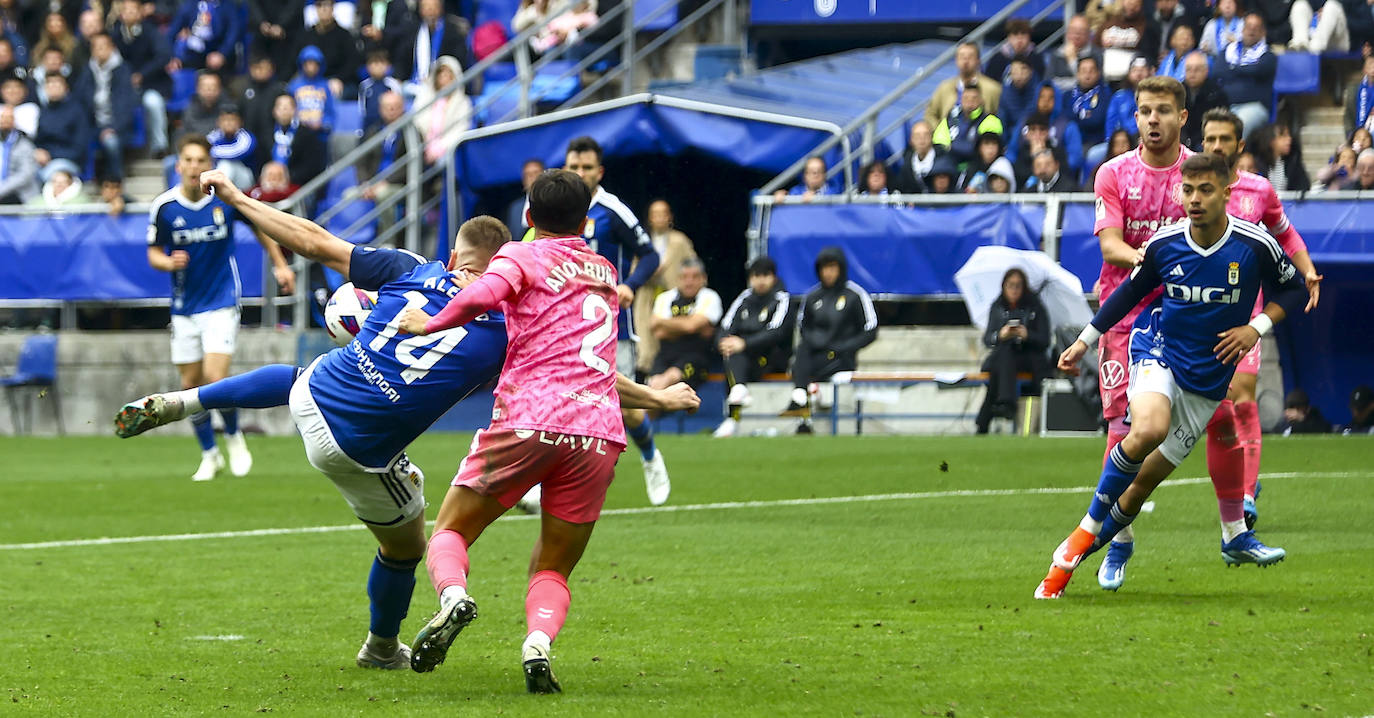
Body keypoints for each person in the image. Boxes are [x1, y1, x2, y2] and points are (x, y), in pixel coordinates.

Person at [121, 207, 513, 671]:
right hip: (356, 447)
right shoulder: (509, 326)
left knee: (298, 377)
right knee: (405, 548)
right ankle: (382, 649)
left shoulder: (412, 267)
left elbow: (311, 239)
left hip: (314, 391)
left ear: (452, 257)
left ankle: (187, 401)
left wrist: (235, 196)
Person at [394, 169, 700, 692]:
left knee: (448, 532)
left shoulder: (520, 254)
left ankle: (453, 598)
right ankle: (537, 644)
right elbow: (595, 368)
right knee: (553, 567)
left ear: (528, 219)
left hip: (529, 419)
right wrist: (659, 398)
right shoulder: (604, 271)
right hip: (598, 434)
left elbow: (486, 293)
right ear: (585, 222)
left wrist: (431, 321)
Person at [1035, 152, 1308, 600]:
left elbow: (1293, 288)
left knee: (1141, 486)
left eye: (1205, 190)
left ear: (1226, 192)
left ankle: (1070, 558)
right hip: (1158, 348)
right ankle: (1084, 531)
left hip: (1207, 381)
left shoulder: (1254, 244)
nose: (1195, 199)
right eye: (1188, 190)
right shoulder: (1166, 243)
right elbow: (1128, 294)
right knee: (1147, 429)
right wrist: (1085, 339)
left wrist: (1253, 328)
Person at [1199, 108, 1322, 532]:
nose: (1216, 147)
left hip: (1246, 312)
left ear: (1239, 146)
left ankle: (1246, 496)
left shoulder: (1258, 190)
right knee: (1217, 411)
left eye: (1224, 140)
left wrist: (1305, 269)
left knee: (1245, 397)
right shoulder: (1189, 187)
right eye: (1210, 139)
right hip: (1196, 313)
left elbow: (1285, 233)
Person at [145, 135, 295, 481]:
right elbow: (153, 252)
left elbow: (260, 227)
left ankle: (232, 436)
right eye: (188, 160)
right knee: (189, 385)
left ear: (208, 165)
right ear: (179, 165)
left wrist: (280, 264)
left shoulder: (223, 201)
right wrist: (168, 263)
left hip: (222, 300)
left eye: (201, 161)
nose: (194, 167)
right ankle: (209, 454)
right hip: (184, 307)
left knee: (214, 378)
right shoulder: (165, 208)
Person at [1090, 74, 1192, 500]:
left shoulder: (1197, 173)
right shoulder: (1113, 173)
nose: (1153, 120)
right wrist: (1150, 262)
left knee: (1197, 420)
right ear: (1135, 117)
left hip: (1181, 316)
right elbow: (1111, 244)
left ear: (1182, 117)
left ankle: (1239, 502)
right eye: (1146, 111)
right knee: (1120, 427)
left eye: (1163, 111)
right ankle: (1114, 537)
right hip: (1122, 314)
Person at [560, 135, 668, 504]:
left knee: (622, 406)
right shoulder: (552, 208)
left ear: (599, 172)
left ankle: (651, 455)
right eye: (574, 166)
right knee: (558, 397)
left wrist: (631, 285)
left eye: (587, 167)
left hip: (607, 325)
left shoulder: (611, 210)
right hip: (561, 325)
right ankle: (548, 482)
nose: (580, 173)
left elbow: (650, 255)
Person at [780, 246, 878, 434]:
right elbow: (803, 326)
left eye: (833, 267)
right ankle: (806, 398)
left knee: (800, 368)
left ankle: (803, 402)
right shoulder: (812, 296)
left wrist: (845, 347)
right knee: (803, 351)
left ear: (841, 268)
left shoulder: (855, 295)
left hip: (841, 357)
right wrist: (816, 341)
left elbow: (871, 329)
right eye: (824, 268)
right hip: (815, 355)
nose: (828, 272)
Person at [714, 256, 794, 438]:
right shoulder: (744, 298)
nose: (760, 280)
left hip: (773, 356)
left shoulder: (782, 299)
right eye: (756, 275)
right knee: (731, 352)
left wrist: (744, 344)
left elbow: (777, 332)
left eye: (765, 275)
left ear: (773, 277)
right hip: (745, 357)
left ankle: (733, 416)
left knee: (736, 354)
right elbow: (725, 327)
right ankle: (738, 393)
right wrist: (723, 343)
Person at [975, 268, 1050, 434]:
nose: (1014, 290)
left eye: (1018, 285)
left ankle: (993, 413)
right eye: (1010, 285)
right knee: (1004, 355)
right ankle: (1004, 403)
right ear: (1004, 286)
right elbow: (988, 339)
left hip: (1028, 357)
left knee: (1002, 363)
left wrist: (1026, 335)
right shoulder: (997, 307)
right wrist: (1001, 335)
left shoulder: (1035, 307)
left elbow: (1045, 340)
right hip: (1004, 358)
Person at [633, 198, 698, 375]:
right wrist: (647, 271)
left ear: (670, 216)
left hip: (674, 295)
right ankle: (646, 375)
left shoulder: (680, 240)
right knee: (646, 340)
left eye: (664, 214)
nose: (660, 218)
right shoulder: (642, 242)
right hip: (647, 297)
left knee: (673, 337)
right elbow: (634, 271)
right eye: (656, 214)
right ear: (649, 218)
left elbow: (693, 265)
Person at [646, 258, 721, 394]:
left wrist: (665, 323)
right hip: (665, 355)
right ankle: (645, 416)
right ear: (678, 279)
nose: (689, 282)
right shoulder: (665, 298)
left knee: (670, 378)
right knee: (653, 383)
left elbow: (691, 326)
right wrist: (689, 325)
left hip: (696, 357)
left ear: (703, 278)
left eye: (695, 277)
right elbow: (658, 332)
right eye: (684, 277)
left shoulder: (710, 297)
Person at [112, 0, 171, 157]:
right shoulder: (115, 34)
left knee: (153, 103)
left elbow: (164, 56)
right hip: (124, 86)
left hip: (151, 83)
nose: (129, 13)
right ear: (120, 14)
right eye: (126, 10)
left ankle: (159, 146)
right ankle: (123, 148)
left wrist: (142, 75)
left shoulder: (151, 32)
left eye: (133, 10)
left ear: (140, 13)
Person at [357, 90, 413, 238]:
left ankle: (388, 242)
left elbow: (409, 166)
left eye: (395, 106)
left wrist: (385, 182)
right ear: (381, 109)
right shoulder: (373, 132)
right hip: (372, 183)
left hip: (398, 184)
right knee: (347, 196)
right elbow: (361, 161)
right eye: (387, 106)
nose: (391, 110)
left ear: (403, 108)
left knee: (384, 195)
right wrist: (365, 183)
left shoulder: (411, 133)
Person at [1214, 13, 1275, 143]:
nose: (1251, 30)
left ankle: (1231, 162)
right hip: (1225, 106)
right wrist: (1246, 72)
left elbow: (1258, 70)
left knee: (1236, 128)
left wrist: (1233, 69)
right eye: (1248, 26)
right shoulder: (1227, 51)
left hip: (1254, 107)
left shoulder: (1268, 56)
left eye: (1256, 27)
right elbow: (1217, 71)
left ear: (1263, 32)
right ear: (1242, 30)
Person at [256, 93, 329, 194]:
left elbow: (312, 166)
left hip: (298, 185)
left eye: (288, 107)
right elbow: (259, 161)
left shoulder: (307, 135)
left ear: (295, 110)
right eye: (280, 107)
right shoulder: (265, 135)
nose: (284, 110)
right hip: (267, 184)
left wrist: (287, 177)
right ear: (274, 111)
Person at [392, 0, 470, 87]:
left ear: (440, 8)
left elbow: (457, 61)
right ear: (420, 10)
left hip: (442, 86)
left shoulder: (452, 32)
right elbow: (402, 59)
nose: (430, 10)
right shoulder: (412, 31)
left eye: (433, 7)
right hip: (413, 84)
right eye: (426, 7)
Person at [296, 0, 361, 100]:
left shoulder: (344, 35)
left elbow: (353, 62)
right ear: (315, 9)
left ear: (333, 8)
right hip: (310, 79)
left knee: (332, 96)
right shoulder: (306, 35)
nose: (324, 8)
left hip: (337, 80)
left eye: (327, 5)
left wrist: (339, 79)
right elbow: (297, 60)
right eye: (319, 5)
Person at [412, 55, 470, 164]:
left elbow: (460, 129)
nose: (444, 79)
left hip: (448, 152)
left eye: (449, 75)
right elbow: (417, 120)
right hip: (422, 147)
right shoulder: (425, 97)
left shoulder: (463, 103)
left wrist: (439, 148)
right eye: (441, 74)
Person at [926, 42, 1001, 124]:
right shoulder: (944, 87)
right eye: (962, 57)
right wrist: (940, 132)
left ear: (978, 60)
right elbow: (930, 114)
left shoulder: (993, 89)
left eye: (970, 57)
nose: (966, 61)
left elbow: (1000, 116)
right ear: (956, 60)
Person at [32, 73, 89, 182]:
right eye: (49, 85)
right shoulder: (42, 112)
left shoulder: (77, 111)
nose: (53, 88)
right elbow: (38, 141)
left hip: (68, 160)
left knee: (49, 175)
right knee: (26, 173)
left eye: (57, 85)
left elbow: (79, 149)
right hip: (41, 160)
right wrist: (37, 152)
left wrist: (50, 155)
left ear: (66, 88)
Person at [934, 85, 1003, 167]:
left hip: (977, 167)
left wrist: (951, 147)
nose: (969, 102)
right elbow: (938, 142)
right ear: (961, 100)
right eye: (966, 98)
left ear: (981, 100)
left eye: (974, 98)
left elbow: (980, 151)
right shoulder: (951, 118)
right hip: (950, 166)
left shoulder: (990, 121)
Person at [167, 0, 243, 73]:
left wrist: (222, 53)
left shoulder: (227, 5)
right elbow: (173, 31)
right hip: (194, 52)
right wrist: (172, 57)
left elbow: (234, 31)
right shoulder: (191, 4)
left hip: (218, 49)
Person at [1063, 55, 1110, 168]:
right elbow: (1064, 118)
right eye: (1083, 71)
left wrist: (1076, 116)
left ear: (1098, 73)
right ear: (1077, 74)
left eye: (1091, 71)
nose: (1087, 75)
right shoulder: (1067, 95)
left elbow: (1096, 120)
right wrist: (1084, 115)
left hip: (1093, 142)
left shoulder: (1105, 94)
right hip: (1068, 141)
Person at [1096, 0, 1160, 82]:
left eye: (1136, 5)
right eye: (1129, 3)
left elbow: (1150, 56)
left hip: (1132, 81)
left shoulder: (1147, 27)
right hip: (1104, 79)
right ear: (1122, 2)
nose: (1132, 7)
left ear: (1141, 6)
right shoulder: (1108, 23)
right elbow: (1095, 48)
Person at [236, 55, 288, 151]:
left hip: (272, 137)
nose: (260, 71)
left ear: (271, 70)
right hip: (248, 137)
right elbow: (238, 113)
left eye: (264, 68)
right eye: (257, 68)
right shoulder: (244, 89)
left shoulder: (278, 90)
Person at [1182, 51, 1227, 150]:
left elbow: (1218, 123)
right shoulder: (1178, 92)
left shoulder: (1216, 93)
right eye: (1188, 69)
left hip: (1206, 140)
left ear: (1206, 71)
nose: (1192, 73)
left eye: (1197, 70)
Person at [206, 104, 257, 189]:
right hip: (221, 175)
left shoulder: (246, 137)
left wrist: (211, 152)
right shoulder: (214, 135)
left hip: (245, 181)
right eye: (224, 120)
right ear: (218, 122)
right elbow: (202, 149)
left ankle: (216, 196)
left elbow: (233, 153)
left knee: (226, 165)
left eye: (232, 120)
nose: (228, 123)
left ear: (240, 122)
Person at [288, 45, 337, 133]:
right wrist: (298, 122)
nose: (311, 67)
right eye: (308, 63)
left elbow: (330, 111)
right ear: (302, 65)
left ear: (320, 65)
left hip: (320, 132)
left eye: (315, 64)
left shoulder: (325, 85)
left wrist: (323, 124)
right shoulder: (294, 85)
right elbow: (289, 109)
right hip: (298, 131)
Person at [1048, 14, 1103, 92]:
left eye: (1081, 31)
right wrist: (1077, 81)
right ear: (1067, 33)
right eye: (1073, 31)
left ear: (1089, 34)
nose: (1077, 35)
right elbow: (1048, 83)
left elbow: (1095, 83)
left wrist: (1072, 61)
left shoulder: (1097, 54)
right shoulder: (1057, 53)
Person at [1250, 122, 1311, 192]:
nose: (1289, 139)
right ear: (1271, 140)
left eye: (1288, 135)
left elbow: (1304, 187)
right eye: (1283, 136)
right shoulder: (1257, 164)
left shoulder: (1293, 163)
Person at [0, 104, 39, 204]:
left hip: (18, 193)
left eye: (9, 118)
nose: (5, 121)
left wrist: (2, 189)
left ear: (15, 122)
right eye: (3, 117)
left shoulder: (25, 144)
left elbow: (25, 175)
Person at [1106, 55, 1152, 140]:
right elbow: (1111, 124)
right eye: (1135, 70)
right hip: (1121, 141)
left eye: (1142, 70)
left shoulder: (1156, 97)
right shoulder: (1118, 97)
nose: (1139, 74)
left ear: (1150, 72)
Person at [358, 50, 402, 133]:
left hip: (387, 122)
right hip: (369, 122)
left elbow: (398, 102)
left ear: (388, 66)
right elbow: (362, 108)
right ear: (367, 67)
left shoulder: (393, 84)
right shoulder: (364, 86)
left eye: (381, 63)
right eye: (374, 63)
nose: (377, 66)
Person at [896, 119, 943, 193]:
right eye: (917, 136)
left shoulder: (943, 159)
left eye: (926, 135)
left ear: (932, 137)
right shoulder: (907, 163)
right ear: (911, 140)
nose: (922, 139)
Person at [505, 157, 544, 236]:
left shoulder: (553, 202)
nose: (531, 177)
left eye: (536, 173)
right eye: (528, 174)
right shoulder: (514, 208)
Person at [999, 57, 1040, 133]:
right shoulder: (1005, 94)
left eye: (1023, 70)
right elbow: (1003, 121)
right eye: (1015, 71)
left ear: (1031, 72)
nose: (1019, 75)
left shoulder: (1039, 92)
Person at [1344, 56, 1374, 139]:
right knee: (1344, 151)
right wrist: (1351, 137)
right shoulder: (1354, 90)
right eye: (1370, 64)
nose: (1373, 67)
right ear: (1364, 69)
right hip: (1358, 135)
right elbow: (1348, 117)